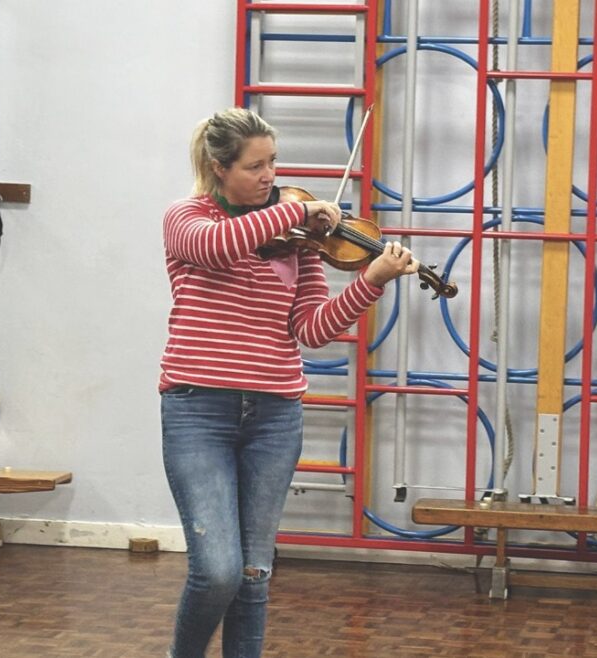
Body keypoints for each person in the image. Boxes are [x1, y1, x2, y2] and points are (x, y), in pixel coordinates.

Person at [159, 107, 419, 658]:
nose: (270, 177)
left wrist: (371, 279)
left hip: (276, 414)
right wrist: (290, 215)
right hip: (197, 410)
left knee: (253, 574)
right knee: (217, 570)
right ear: (218, 167)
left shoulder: (299, 239)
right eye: (256, 167)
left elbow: (312, 329)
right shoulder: (188, 220)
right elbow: (215, 247)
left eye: (273, 163)